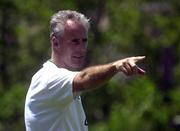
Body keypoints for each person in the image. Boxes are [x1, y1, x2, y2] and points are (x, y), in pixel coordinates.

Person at [24, 10, 146, 131]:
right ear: (55, 43)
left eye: (84, 41)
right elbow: (84, 79)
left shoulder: (64, 84)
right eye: (75, 41)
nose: (82, 49)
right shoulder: (48, 78)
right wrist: (116, 66)